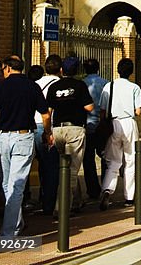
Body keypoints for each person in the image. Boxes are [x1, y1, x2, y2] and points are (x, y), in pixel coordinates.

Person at [0, 56, 53, 238]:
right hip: (23, 136)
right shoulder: (32, 86)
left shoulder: (0, 87)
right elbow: (45, 115)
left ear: (7, 68)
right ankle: (14, 225)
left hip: (3, 137)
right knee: (16, 185)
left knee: (8, 184)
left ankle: (10, 231)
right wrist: (47, 132)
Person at [46, 57, 93, 214]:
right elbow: (89, 107)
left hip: (57, 130)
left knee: (63, 168)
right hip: (75, 129)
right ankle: (62, 208)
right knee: (72, 170)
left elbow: (48, 112)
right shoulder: (80, 85)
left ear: (61, 70)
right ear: (77, 71)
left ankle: (76, 201)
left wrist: (48, 133)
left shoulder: (54, 87)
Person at [99, 58, 141, 210]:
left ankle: (107, 189)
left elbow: (102, 110)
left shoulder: (108, 86)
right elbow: (138, 111)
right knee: (131, 160)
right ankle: (129, 197)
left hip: (113, 123)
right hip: (129, 123)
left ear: (117, 70)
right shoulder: (135, 87)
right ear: (131, 72)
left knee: (113, 161)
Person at [34, 56, 61, 215]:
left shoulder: (37, 83)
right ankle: (48, 203)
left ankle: (41, 196)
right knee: (52, 167)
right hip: (48, 127)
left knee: (41, 165)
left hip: (34, 126)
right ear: (61, 69)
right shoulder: (59, 85)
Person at [82, 59, 107, 201]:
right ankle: (106, 186)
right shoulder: (106, 83)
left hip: (87, 125)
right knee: (105, 156)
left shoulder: (82, 84)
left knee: (88, 159)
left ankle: (93, 190)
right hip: (102, 124)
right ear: (98, 68)